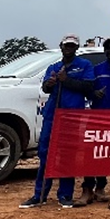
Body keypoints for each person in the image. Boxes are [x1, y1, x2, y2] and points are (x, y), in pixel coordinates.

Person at [20, 34, 95, 209]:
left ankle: (65, 195)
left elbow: (88, 87)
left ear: (76, 48)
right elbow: (45, 88)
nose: (68, 48)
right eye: (66, 45)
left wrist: (66, 81)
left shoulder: (84, 65)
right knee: (45, 154)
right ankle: (40, 194)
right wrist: (51, 83)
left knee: (67, 156)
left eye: (72, 46)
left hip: (72, 115)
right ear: (61, 46)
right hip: (52, 115)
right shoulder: (54, 66)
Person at [74, 37, 110, 206]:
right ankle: (87, 189)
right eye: (108, 48)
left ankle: (101, 189)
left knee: (109, 155)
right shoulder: (96, 70)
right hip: (97, 118)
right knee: (93, 153)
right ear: (104, 51)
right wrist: (93, 94)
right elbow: (87, 90)